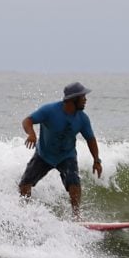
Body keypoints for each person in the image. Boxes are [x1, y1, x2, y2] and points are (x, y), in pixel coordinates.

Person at [16, 82, 102, 218]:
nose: (86, 100)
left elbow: (90, 139)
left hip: (66, 156)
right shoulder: (49, 111)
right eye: (83, 97)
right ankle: (24, 213)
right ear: (73, 99)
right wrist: (31, 134)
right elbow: (27, 120)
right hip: (44, 155)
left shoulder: (82, 119)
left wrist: (96, 160)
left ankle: (76, 216)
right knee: (24, 185)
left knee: (74, 183)